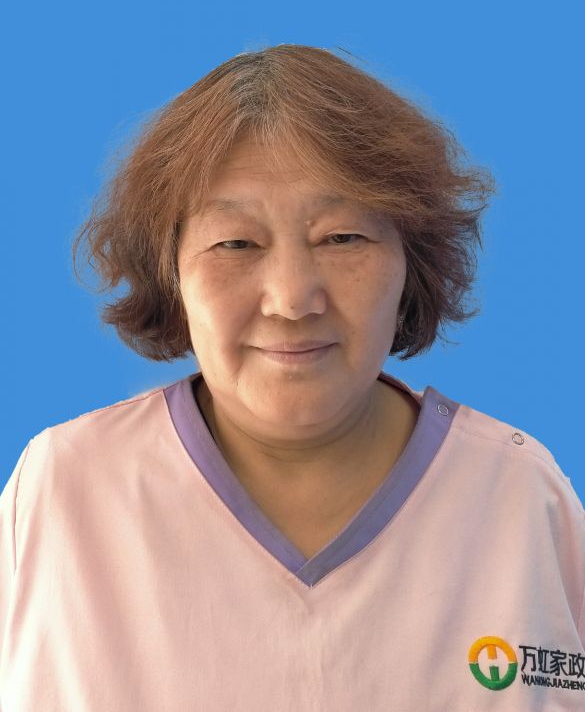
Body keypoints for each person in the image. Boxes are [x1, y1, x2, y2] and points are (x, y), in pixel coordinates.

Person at [0, 44, 583, 711]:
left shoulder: (517, 495)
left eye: (342, 237)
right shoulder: (66, 487)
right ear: (170, 273)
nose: (291, 299)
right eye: (235, 243)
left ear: (412, 264)